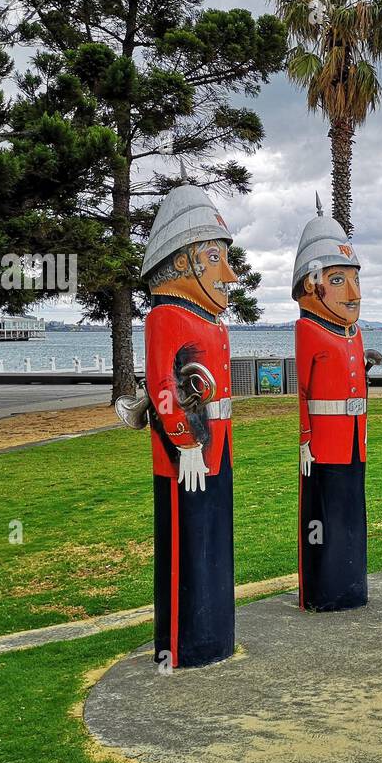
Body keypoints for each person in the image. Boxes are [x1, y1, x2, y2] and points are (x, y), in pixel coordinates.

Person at [133, 185, 237, 668]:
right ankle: (182, 643)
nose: (229, 274)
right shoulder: (165, 316)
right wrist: (185, 442)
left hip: (219, 448)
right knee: (186, 541)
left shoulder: (213, 322)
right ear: (182, 262)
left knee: (215, 538)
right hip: (188, 453)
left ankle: (214, 634)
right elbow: (162, 387)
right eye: (214, 257)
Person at [294, 195, 369, 612]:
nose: (354, 292)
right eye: (338, 280)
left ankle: (351, 582)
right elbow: (303, 390)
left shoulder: (353, 333)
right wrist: (306, 437)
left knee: (351, 513)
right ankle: (326, 589)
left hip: (354, 439)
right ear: (312, 282)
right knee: (324, 512)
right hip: (324, 442)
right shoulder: (309, 330)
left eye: (355, 278)